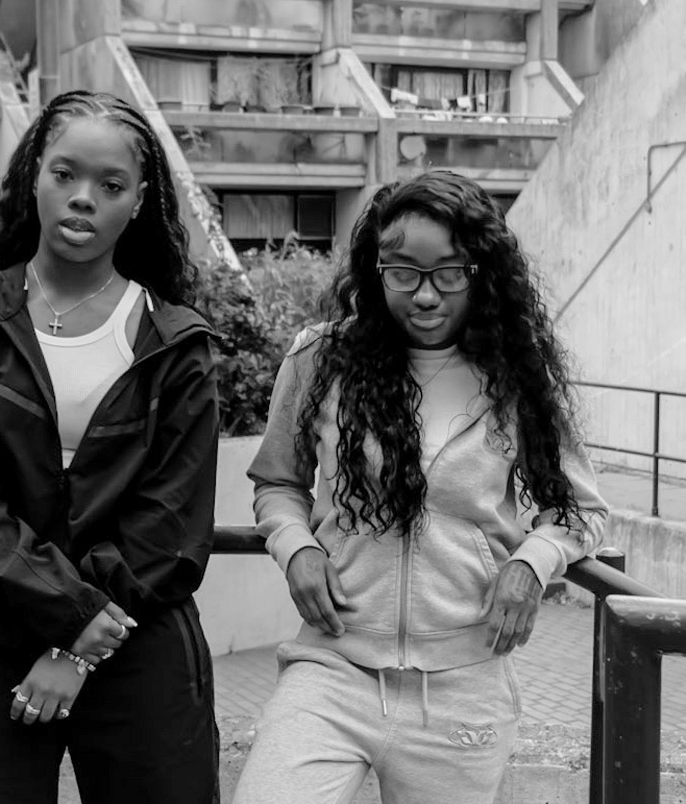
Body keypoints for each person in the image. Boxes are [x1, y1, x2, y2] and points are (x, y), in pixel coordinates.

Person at [234, 170, 608, 804]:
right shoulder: (319, 358)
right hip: (333, 667)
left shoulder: (517, 376)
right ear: (375, 270)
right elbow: (277, 481)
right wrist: (295, 546)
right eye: (403, 272)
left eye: (450, 272)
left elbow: (579, 510)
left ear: (480, 272)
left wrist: (532, 562)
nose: (425, 295)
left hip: (465, 682)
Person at [0, 90, 220, 804]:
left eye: (110, 186)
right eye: (65, 175)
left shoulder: (176, 343)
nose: (83, 199)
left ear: (139, 201)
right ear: (34, 177)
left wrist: (80, 646)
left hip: (136, 641)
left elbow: (170, 518)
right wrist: (70, 621)